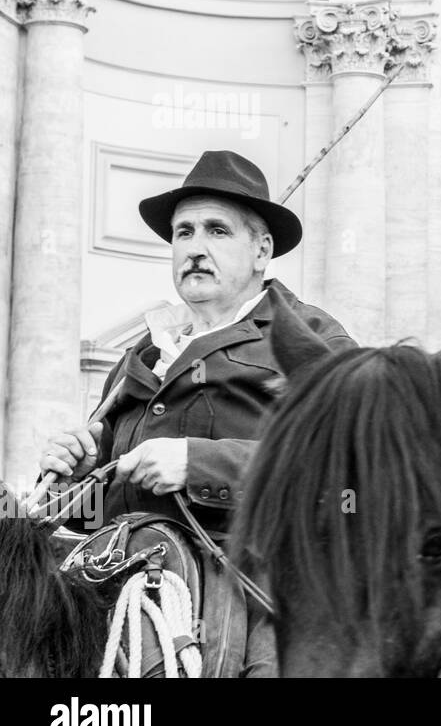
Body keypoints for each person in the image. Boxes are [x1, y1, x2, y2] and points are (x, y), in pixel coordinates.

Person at [40, 150, 355, 538]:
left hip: (247, 587)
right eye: (184, 232)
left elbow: (347, 467)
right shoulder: (142, 354)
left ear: (262, 251)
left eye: (217, 230)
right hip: (114, 581)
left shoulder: (314, 336)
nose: (194, 248)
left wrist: (197, 464)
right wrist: (70, 485)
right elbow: (89, 518)